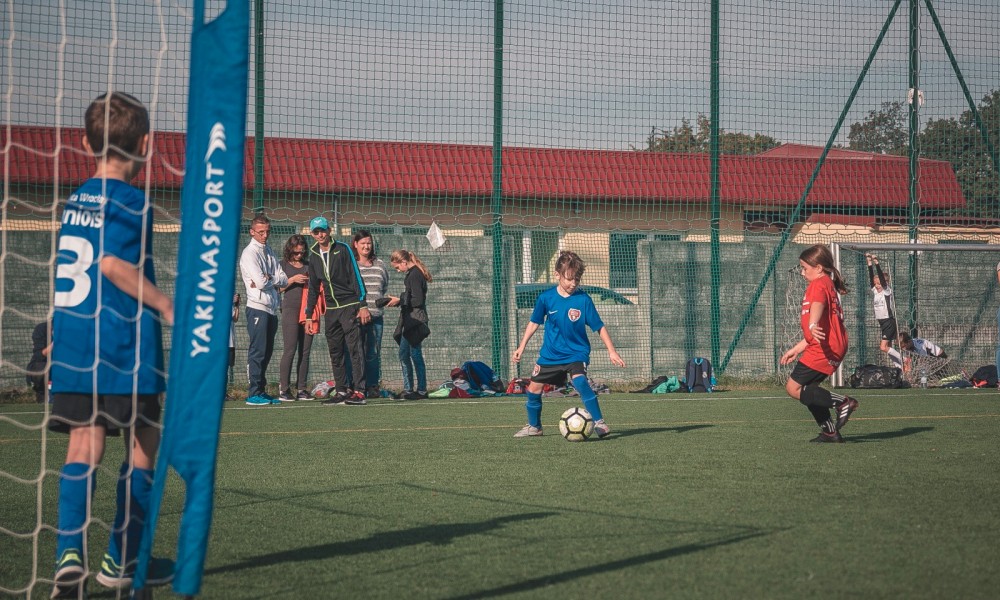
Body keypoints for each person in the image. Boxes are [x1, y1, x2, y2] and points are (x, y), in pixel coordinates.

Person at [48, 92, 175, 597]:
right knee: (144, 444)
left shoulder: (76, 200)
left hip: (75, 342)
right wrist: (167, 306)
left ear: (84, 144)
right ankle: (122, 559)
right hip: (123, 345)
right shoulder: (133, 202)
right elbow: (113, 267)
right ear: (146, 145)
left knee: (84, 445)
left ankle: (67, 555)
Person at [510, 250, 626, 438]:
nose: (573, 284)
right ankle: (534, 427)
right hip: (550, 354)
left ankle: (599, 423)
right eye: (569, 279)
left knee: (579, 381)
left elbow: (599, 327)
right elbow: (533, 323)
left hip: (576, 353)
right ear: (557, 275)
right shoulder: (546, 298)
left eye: (577, 280)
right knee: (533, 389)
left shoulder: (584, 300)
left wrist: (612, 351)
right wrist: (521, 347)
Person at [779, 244, 858, 443]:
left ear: (819, 268)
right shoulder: (825, 282)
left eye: (805, 268)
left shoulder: (819, 284)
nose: (803, 273)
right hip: (827, 345)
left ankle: (844, 403)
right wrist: (797, 349)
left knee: (793, 388)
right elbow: (821, 326)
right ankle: (830, 432)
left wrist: (812, 322)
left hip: (825, 348)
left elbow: (818, 305)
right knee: (810, 391)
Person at [303, 216, 370, 405]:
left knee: (355, 349)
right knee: (335, 351)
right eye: (316, 232)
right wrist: (309, 316)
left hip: (349, 306)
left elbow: (355, 276)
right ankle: (341, 391)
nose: (320, 234)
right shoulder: (313, 255)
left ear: (329, 230)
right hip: (331, 309)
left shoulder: (342, 249)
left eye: (323, 230)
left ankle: (359, 391)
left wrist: (362, 304)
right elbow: (314, 288)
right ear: (311, 234)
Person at [240, 213, 288, 406]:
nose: (264, 235)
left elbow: (283, 278)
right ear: (252, 232)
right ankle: (253, 393)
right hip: (257, 308)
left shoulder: (269, 250)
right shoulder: (249, 253)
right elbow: (260, 282)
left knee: (267, 352)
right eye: (260, 232)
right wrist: (270, 279)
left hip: (271, 308)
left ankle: (261, 390)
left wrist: (270, 278)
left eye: (267, 231)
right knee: (257, 351)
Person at [384, 249, 432, 400]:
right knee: (404, 354)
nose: (398, 271)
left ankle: (422, 390)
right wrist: (401, 299)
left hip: (415, 321)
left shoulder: (415, 275)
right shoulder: (411, 274)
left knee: (415, 354)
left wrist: (400, 300)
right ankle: (408, 389)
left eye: (398, 267)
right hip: (409, 320)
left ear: (404, 262)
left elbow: (417, 300)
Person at [352, 230, 390, 398]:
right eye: (363, 243)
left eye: (368, 243)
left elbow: (384, 286)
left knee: (373, 354)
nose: (366, 246)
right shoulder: (352, 264)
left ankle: (372, 386)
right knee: (356, 353)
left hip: (376, 317)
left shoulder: (380, 264)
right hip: (356, 317)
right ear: (356, 245)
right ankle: (356, 387)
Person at [277, 234, 314, 402]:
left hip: (308, 313)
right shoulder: (282, 265)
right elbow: (276, 289)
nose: (299, 255)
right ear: (289, 250)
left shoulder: (309, 265)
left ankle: (301, 388)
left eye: (301, 252)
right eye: (296, 253)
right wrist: (292, 279)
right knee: (290, 349)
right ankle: (284, 389)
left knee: (305, 351)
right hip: (290, 310)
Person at [866, 254, 900, 365]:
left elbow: (881, 278)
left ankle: (904, 360)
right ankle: (899, 366)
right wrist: (869, 264)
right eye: (875, 284)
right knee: (889, 348)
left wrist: (877, 263)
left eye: (879, 283)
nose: (877, 286)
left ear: (884, 283)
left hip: (888, 322)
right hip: (882, 322)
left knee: (883, 347)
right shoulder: (876, 291)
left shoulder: (886, 290)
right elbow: (872, 279)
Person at [26, 320, 52, 403]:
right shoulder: (42, 328)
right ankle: (44, 393)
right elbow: (39, 355)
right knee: (41, 366)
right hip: (44, 368)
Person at [226, 292, 240, 401]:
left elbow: (235, 318)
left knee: (226, 368)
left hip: (230, 341)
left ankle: (224, 393)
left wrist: (236, 305)